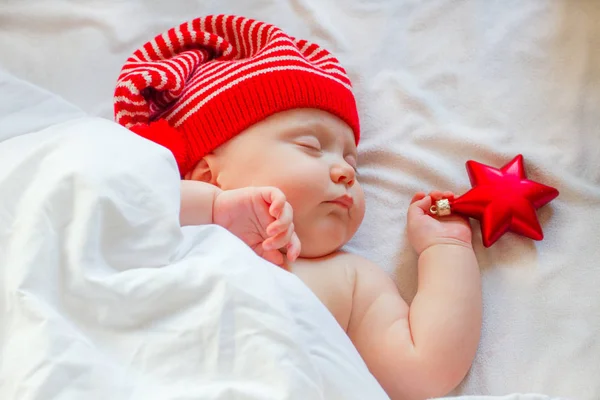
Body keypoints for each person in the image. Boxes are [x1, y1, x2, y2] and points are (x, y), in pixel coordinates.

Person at [113, 14, 482, 400]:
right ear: (207, 174)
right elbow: (120, 209)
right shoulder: (177, 232)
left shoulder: (350, 280)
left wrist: (447, 249)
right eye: (310, 146)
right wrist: (212, 208)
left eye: (353, 163)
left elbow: (425, 373)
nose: (345, 171)